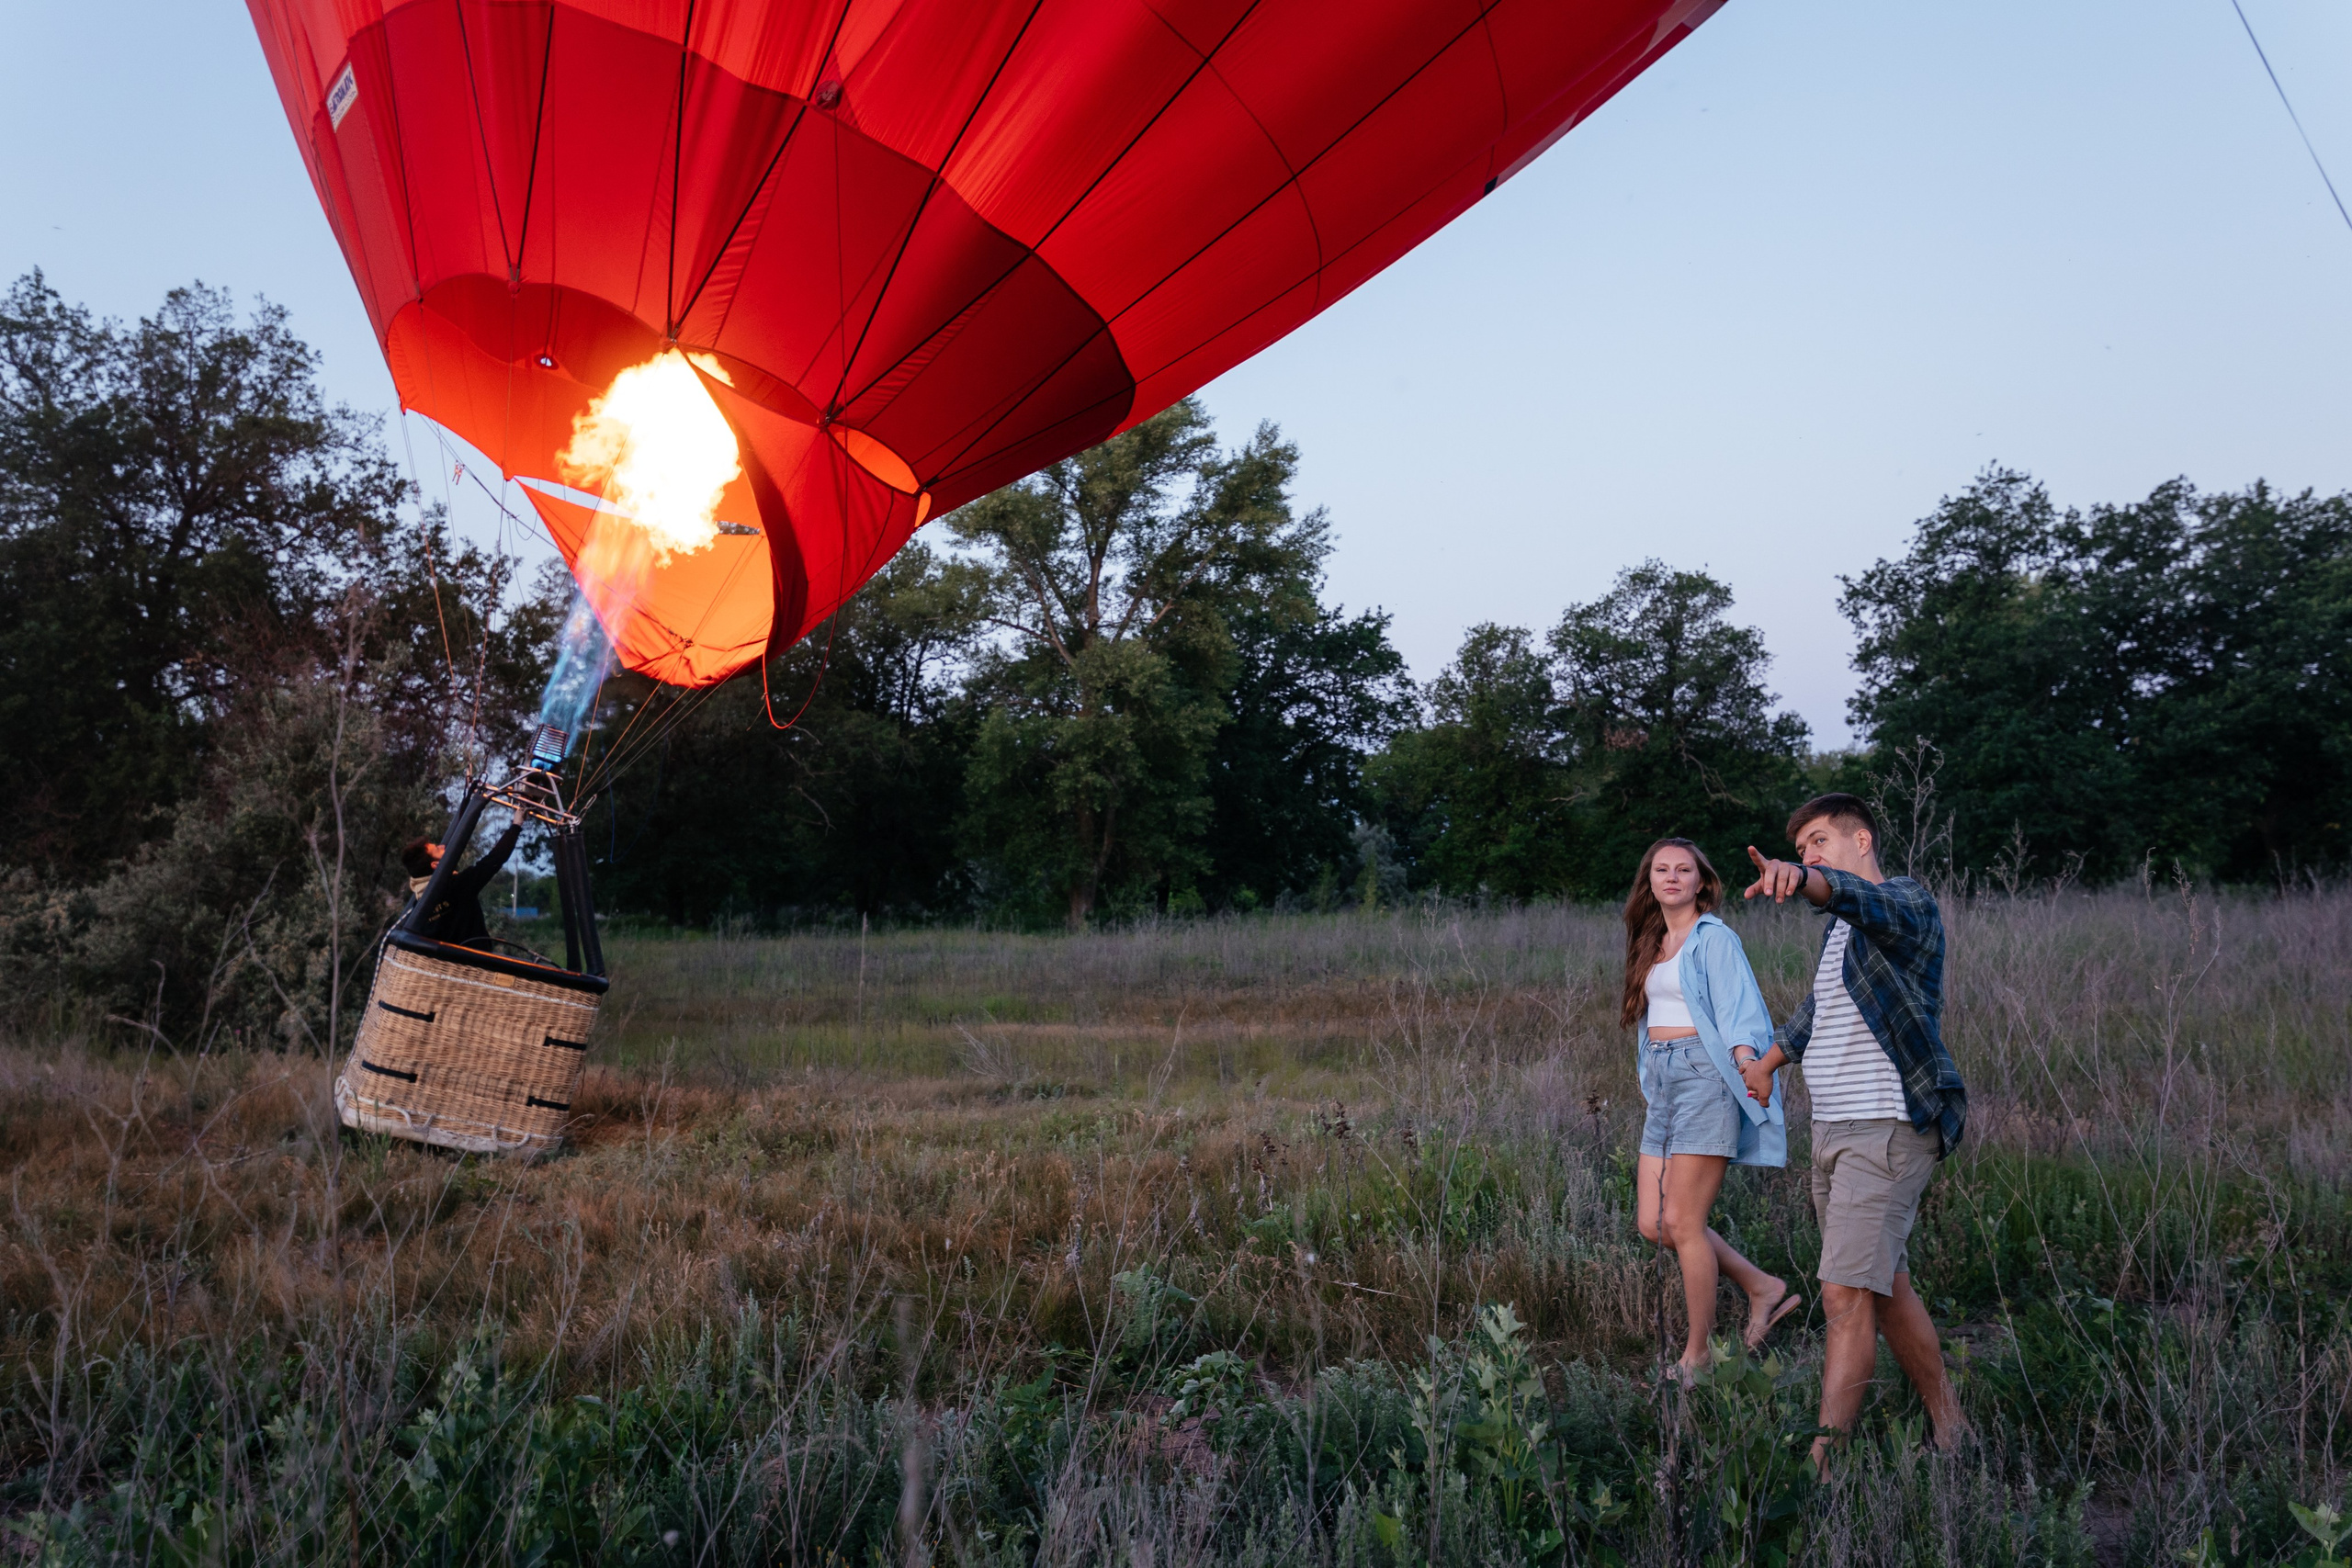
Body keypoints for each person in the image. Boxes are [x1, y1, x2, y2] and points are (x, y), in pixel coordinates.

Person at [1737, 794, 1971, 1471]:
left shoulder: (1905, 905)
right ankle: (1952, 1427)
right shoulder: (1841, 933)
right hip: (1837, 1129)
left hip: (1889, 1125)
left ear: (1860, 837)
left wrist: (1806, 878)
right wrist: (1769, 1065)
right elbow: (1817, 1011)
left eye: (1818, 841)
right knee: (1881, 1283)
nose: (1809, 855)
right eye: (1802, 848)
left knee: (1842, 1294)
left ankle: (1823, 1464)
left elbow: (1862, 899)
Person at [1624, 836, 1802, 1383]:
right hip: (1664, 1078)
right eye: (1662, 870)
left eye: (1684, 869)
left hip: (1705, 1076)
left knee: (1683, 1221)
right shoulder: (1652, 939)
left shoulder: (1714, 938)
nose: (1672, 878)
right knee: (1653, 1224)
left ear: (1702, 881)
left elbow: (1739, 1007)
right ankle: (1761, 1286)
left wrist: (1751, 1064)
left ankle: (1696, 1357)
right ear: (1649, 880)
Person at [400, 811, 523, 947]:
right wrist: (516, 825)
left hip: (443, 966)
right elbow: (494, 859)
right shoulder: (457, 886)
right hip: (475, 963)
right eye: (438, 849)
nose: (443, 846)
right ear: (435, 865)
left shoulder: (420, 905)